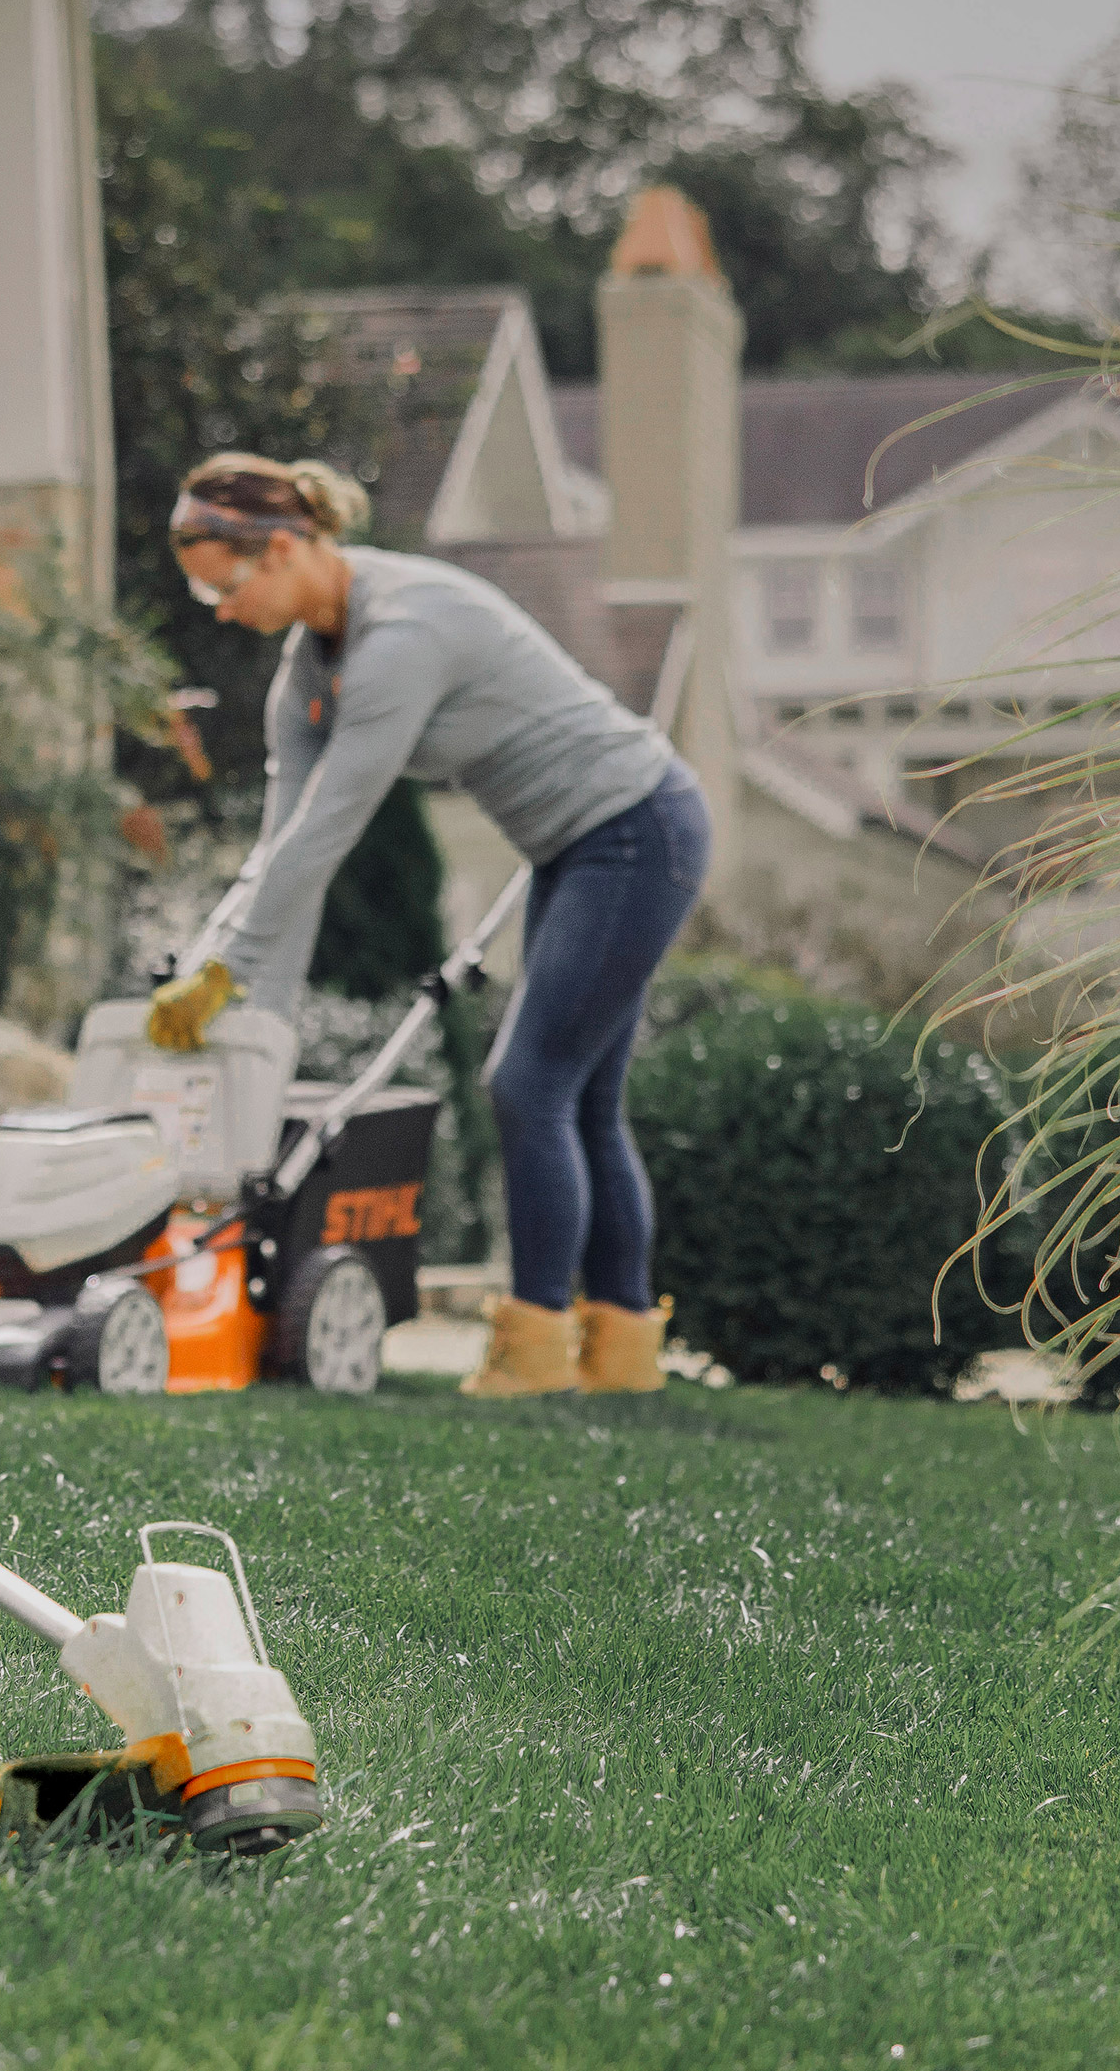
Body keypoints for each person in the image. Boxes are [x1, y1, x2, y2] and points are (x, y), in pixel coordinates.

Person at [153, 452, 709, 1398]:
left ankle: (533, 1349)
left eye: (225, 588)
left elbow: (329, 831)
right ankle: (623, 1357)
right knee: (580, 1099)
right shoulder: (309, 671)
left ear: (282, 549)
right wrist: (238, 996)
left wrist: (227, 972)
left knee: (529, 1086)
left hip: (638, 829)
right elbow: (280, 848)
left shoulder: (402, 635)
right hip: (575, 848)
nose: (221, 612)